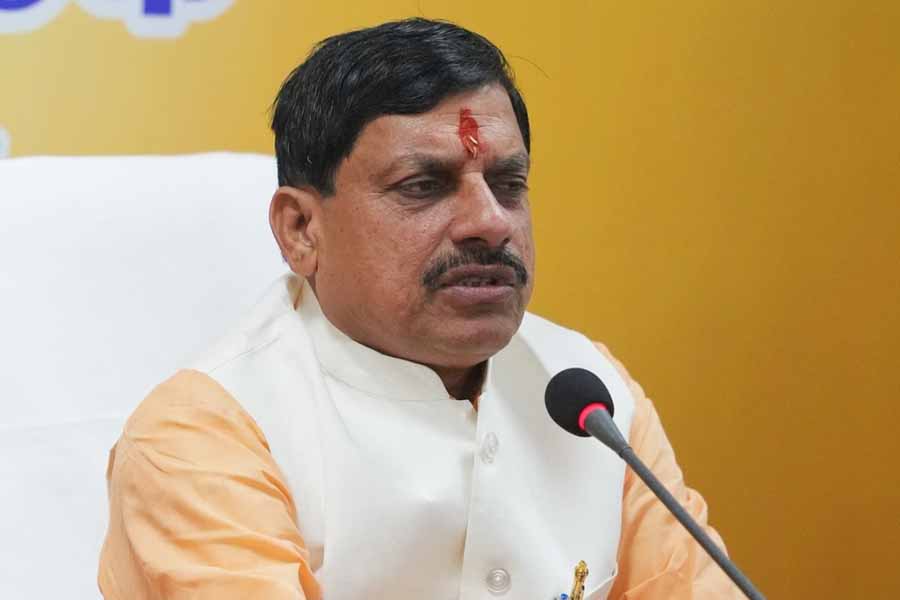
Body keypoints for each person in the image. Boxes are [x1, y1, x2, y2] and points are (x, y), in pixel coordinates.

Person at [98, 18, 740, 600]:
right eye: (424, 186)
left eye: (508, 184)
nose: (490, 222)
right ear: (301, 229)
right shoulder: (204, 436)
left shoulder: (589, 393)